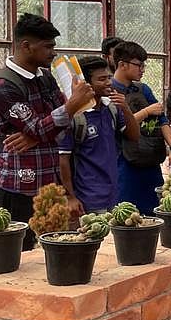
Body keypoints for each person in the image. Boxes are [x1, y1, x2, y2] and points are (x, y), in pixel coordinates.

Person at [0, 13, 94, 250]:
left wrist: (37, 134)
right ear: (26, 46)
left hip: (47, 181)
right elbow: (43, 124)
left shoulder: (45, 77)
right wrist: (70, 106)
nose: (53, 53)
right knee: (19, 251)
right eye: (47, 47)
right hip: (16, 185)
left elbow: (62, 125)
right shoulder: (1, 86)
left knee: (48, 247)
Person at [58, 56, 140, 215]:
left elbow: (134, 136)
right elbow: (63, 160)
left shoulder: (111, 108)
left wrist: (125, 108)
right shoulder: (75, 116)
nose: (109, 82)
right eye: (102, 79)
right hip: (88, 197)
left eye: (109, 77)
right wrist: (70, 197)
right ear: (86, 84)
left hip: (113, 193)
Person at [110, 41, 171, 215]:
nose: (143, 69)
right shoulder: (109, 91)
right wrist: (146, 111)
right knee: (127, 214)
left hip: (150, 159)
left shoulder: (143, 89)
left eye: (143, 65)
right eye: (139, 65)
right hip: (124, 163)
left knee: (154, 211)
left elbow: (162, 119)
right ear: (122, 65)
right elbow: (117, 126)